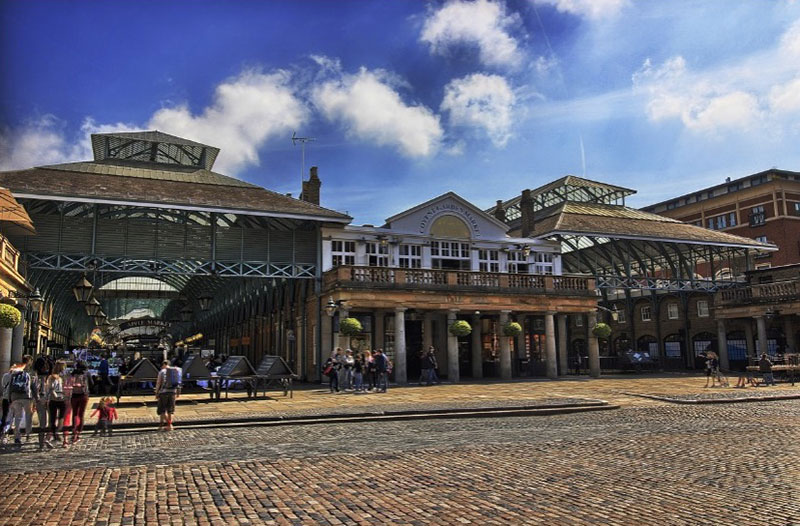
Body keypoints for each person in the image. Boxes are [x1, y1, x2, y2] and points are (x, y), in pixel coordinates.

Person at [7, 356, 34, 446]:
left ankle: (17, 437)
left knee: (18, 417)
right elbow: (29, 386)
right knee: (28, 415)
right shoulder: (27, 374)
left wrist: (10, 397)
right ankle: (28, 433)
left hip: (15, 396)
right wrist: (31, 398)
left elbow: (10, 386)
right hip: (25, 396)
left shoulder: (14, 372)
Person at [65, 361, 92, 444]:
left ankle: (74, 430)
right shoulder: (86, 373)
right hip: (83, 395)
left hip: (74, 395)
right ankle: (79, 432)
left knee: (75, 414)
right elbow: (91, 383)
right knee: (81, 414)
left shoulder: (72, 373)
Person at [32, 355, 53, 449]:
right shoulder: (42, 377)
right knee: (45, 422)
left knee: (44, 422)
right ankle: (43, 441)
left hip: (42, 399)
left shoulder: (36, 376)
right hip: (43, 399)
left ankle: (43, 441)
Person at [155, 360, 182, 431]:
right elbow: (179, 382)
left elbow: (158, 383)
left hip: (163, 393)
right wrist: (178, 393)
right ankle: (166, 426)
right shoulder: (176, 371)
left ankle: (169, 424)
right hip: (173, 392)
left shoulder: (162, 372)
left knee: (161, 410)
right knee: (170, 410)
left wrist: (156, 392)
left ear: (164, 364)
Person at [46, 360, 68, 448]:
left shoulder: (62, 377)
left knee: (59, 420)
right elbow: (51, 388)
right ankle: (51, 437)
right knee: (53, 420)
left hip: (61, 400)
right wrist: (56, 395)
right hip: (55, 400)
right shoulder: (52, 377)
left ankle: (55, 435)